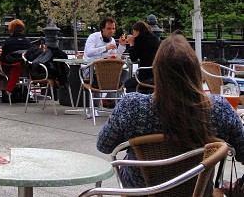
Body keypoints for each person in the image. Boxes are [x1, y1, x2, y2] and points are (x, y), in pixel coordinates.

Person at [97, 34, 244, 188]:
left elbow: (104, 145)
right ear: (195, 70)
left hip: (140, 192)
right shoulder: (219, 109)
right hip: (198, 192)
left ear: (157, 72)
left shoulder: (132, 106)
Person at [123, 20, 160, 92]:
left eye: (133, 32)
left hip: (145, 76)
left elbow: (133, 58)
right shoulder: (155, 39)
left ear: (137, 31)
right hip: (157, 75)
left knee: (127, 84)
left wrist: (131, 44)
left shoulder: (140, 40)